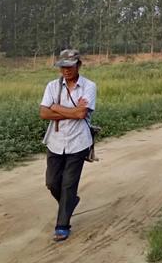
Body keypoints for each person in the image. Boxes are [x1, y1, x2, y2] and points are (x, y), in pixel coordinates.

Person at [39, 49, 97, 242]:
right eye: (63, 66)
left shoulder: (89, 86)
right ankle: (70, 201)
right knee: (52, 182)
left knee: (69, 184)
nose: (66, 70)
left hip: (78, 142)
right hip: (55, 141)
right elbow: (44, 113)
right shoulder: (52, 86)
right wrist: (72, 111)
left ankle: (62, 226)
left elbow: (81, 114)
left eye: (70, 66)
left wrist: (56, 107)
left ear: (78, 65)